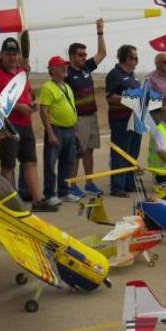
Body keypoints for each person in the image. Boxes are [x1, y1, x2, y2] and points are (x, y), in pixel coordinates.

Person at [0, 37, 58, 212]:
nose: (11, 57)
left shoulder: (21, 73)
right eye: (8, 54)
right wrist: (18, 107)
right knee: (8, 165)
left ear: (19, 55)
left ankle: (38, 200)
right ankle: (6, 202)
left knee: (30, 162)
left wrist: (34, 102)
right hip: (8, 126)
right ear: (2, 55)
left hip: (26, 124)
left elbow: (29, 92)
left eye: (14, 54)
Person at [64, 19, 106, 198]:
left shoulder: (87, 67)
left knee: (89, 150)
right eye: (80, 54)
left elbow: (102, 53)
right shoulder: (66, 72)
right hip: (78, 119)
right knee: (77, 153)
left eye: (84, 54)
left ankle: (89, 182)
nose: (84, 57)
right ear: (72, 56)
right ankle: (72, 185)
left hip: (92, 116)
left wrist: (100, 32)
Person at [39, 56, 79, 205]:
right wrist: (50, 133)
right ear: (52, 69)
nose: (64, 68)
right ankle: (49, 194)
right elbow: (43, 111)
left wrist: (74, 128)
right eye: (60, 66)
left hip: (69, 129)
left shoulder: (66, 86)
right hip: (56, 129)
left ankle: (64, 191)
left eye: (65, 65)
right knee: (51, 162)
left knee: (67, 162)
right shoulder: (47, 87)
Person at [105, 44, 142, 197]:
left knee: (133, 153)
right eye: (134, 58)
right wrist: (130, 99)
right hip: (121, 121)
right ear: (126, 58)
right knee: (120, 154)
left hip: (135, 119)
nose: (136, 61)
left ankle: (129, 183)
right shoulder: (115, 74)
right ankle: (117, 187)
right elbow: (110, 97)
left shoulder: (132, 76)